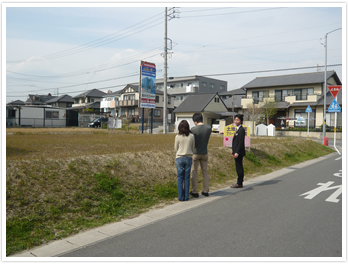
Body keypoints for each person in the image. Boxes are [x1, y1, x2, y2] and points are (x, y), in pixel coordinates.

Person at [189, 113, 212, 197]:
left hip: (195, 152)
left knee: (194, 172)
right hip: (204, 152)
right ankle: (205, 190)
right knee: (205, 172)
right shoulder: (209, 128)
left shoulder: (193, 129)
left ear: (195, 121)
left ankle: (195, 191)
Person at [174, 120, 195, 201]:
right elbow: (193, 147)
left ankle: (180, 197)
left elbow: (175, 149)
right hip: (189, 157)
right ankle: (186, 196)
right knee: (187, 177)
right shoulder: (192, 136)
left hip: (179, 157)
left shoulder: (177, 137)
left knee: (180, 177)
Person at [231, 114, 246, 188]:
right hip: (236, 151)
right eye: (235, 120)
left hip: (239, 152)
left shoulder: (241, 130)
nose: (236, 121)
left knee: (239, 167)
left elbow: (240, 142)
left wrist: (237, 152)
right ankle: (239, 182)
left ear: (241, 121)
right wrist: (233, 150)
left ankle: (239, 182)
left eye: (238, 120)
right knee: (237, 166)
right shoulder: (237, 129)